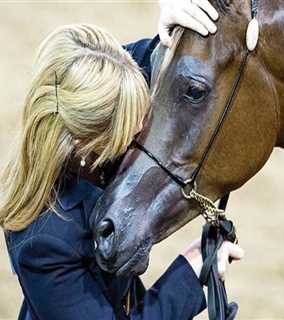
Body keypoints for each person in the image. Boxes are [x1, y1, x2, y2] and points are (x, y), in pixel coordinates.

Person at [0, 1, 243, 319]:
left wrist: (175, 29)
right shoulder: (44, 243)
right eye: (130, 126)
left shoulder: (91, 97)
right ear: (85, 145)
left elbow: (142, 69)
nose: (143, 125)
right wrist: (188, 270)